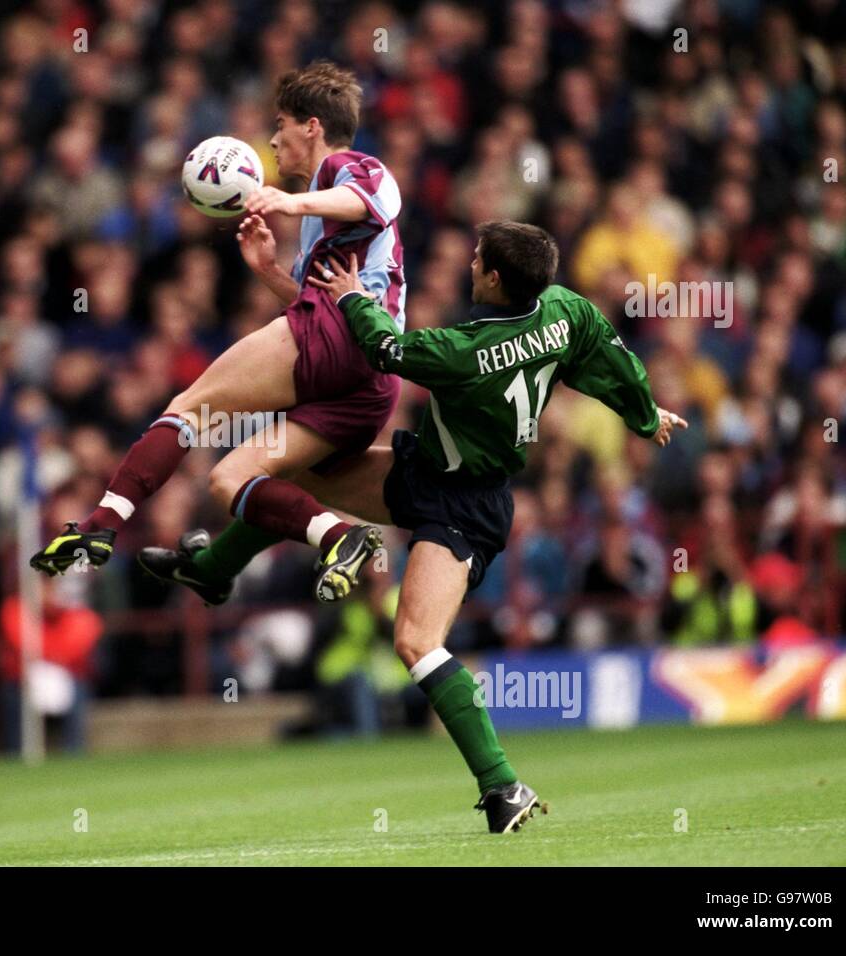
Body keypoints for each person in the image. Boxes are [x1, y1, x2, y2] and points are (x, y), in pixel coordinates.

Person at [144, 221, 688, 832]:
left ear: (494, 278)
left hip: (465, 505)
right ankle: (216, 571)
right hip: (427, 470)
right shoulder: (565, 310)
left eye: (478, 257)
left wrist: (351, 295)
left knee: (416, 641)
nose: (471, 262)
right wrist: (644, 415)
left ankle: (503, 785)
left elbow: (387, 350)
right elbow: (609, 360)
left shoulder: (463, 349)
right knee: (296, 471)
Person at [30, 60, 405, 602]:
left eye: (280, 125)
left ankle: (101, 523)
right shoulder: (323, 224)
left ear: (312, 126)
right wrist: (270, 271)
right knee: (231, 479)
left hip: (346, 339)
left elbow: (373, 204)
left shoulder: (354, 168)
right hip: (367, 383)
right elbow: (314, 297)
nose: (273, 141)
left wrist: (286, 199)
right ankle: (340, 537)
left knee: (191, 408)